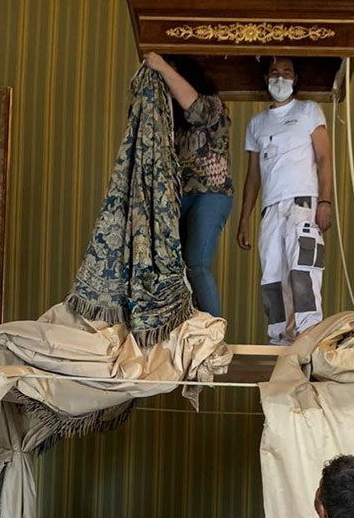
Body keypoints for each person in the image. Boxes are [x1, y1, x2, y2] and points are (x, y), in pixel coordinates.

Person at [237, 56, 334, 345]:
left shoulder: (308, 112)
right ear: (266, 78)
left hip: (302, 203)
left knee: (302, 270)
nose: (280, 78)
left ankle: (308, 335)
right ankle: (279, 336)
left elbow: (324, 158)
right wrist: (245, 218)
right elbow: (253, 176)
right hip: (271, 209)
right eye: (274, 72)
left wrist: (325, 202)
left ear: (296, 78)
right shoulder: (257, 124)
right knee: (272, 276)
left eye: (287, 72)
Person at [143, 51, 233, 317]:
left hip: (211, 194)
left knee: (197, 263)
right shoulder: (171, 122)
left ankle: (214, 333)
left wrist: (161, 65)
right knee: (173, 266)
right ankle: (187, 328)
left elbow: (194, 108)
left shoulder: (212, 105)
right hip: (179, 198)